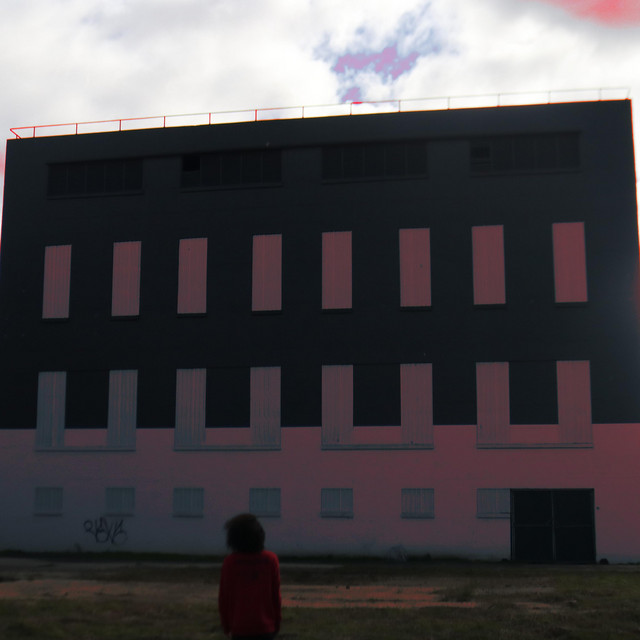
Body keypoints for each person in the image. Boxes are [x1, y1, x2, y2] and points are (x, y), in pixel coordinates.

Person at [218, 513, 281, 640]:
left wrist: (226, 626)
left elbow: (224, 598)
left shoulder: (230, 562)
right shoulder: (270, 560)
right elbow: (275, 596)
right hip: (265, 628)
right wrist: (276, 623)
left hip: (239, 628)